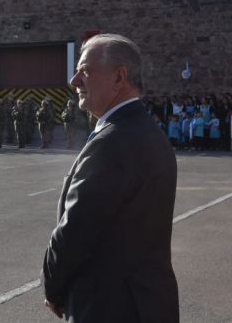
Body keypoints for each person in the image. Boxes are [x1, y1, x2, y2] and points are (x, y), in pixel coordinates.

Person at [41, 34, 179, 323]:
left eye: (86, 71)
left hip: (110, 305)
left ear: (119, 77)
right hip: (145, 300)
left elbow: (76, 230)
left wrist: (53, 289)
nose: (74, 80)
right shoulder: (145, 131)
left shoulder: (114, 141)